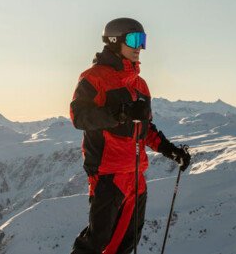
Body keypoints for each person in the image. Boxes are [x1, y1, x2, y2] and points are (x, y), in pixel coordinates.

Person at [69, 17, 192, 254]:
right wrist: (120, 113)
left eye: (143, 40)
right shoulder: (93, 78)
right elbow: (79, 116)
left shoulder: (141, 85)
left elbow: (145, 129)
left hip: (136, 176)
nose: (140, 47)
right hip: (108, 175)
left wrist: (171, 151)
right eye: (134, 40)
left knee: (125, 244)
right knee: (96, 243)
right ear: (114, 41)